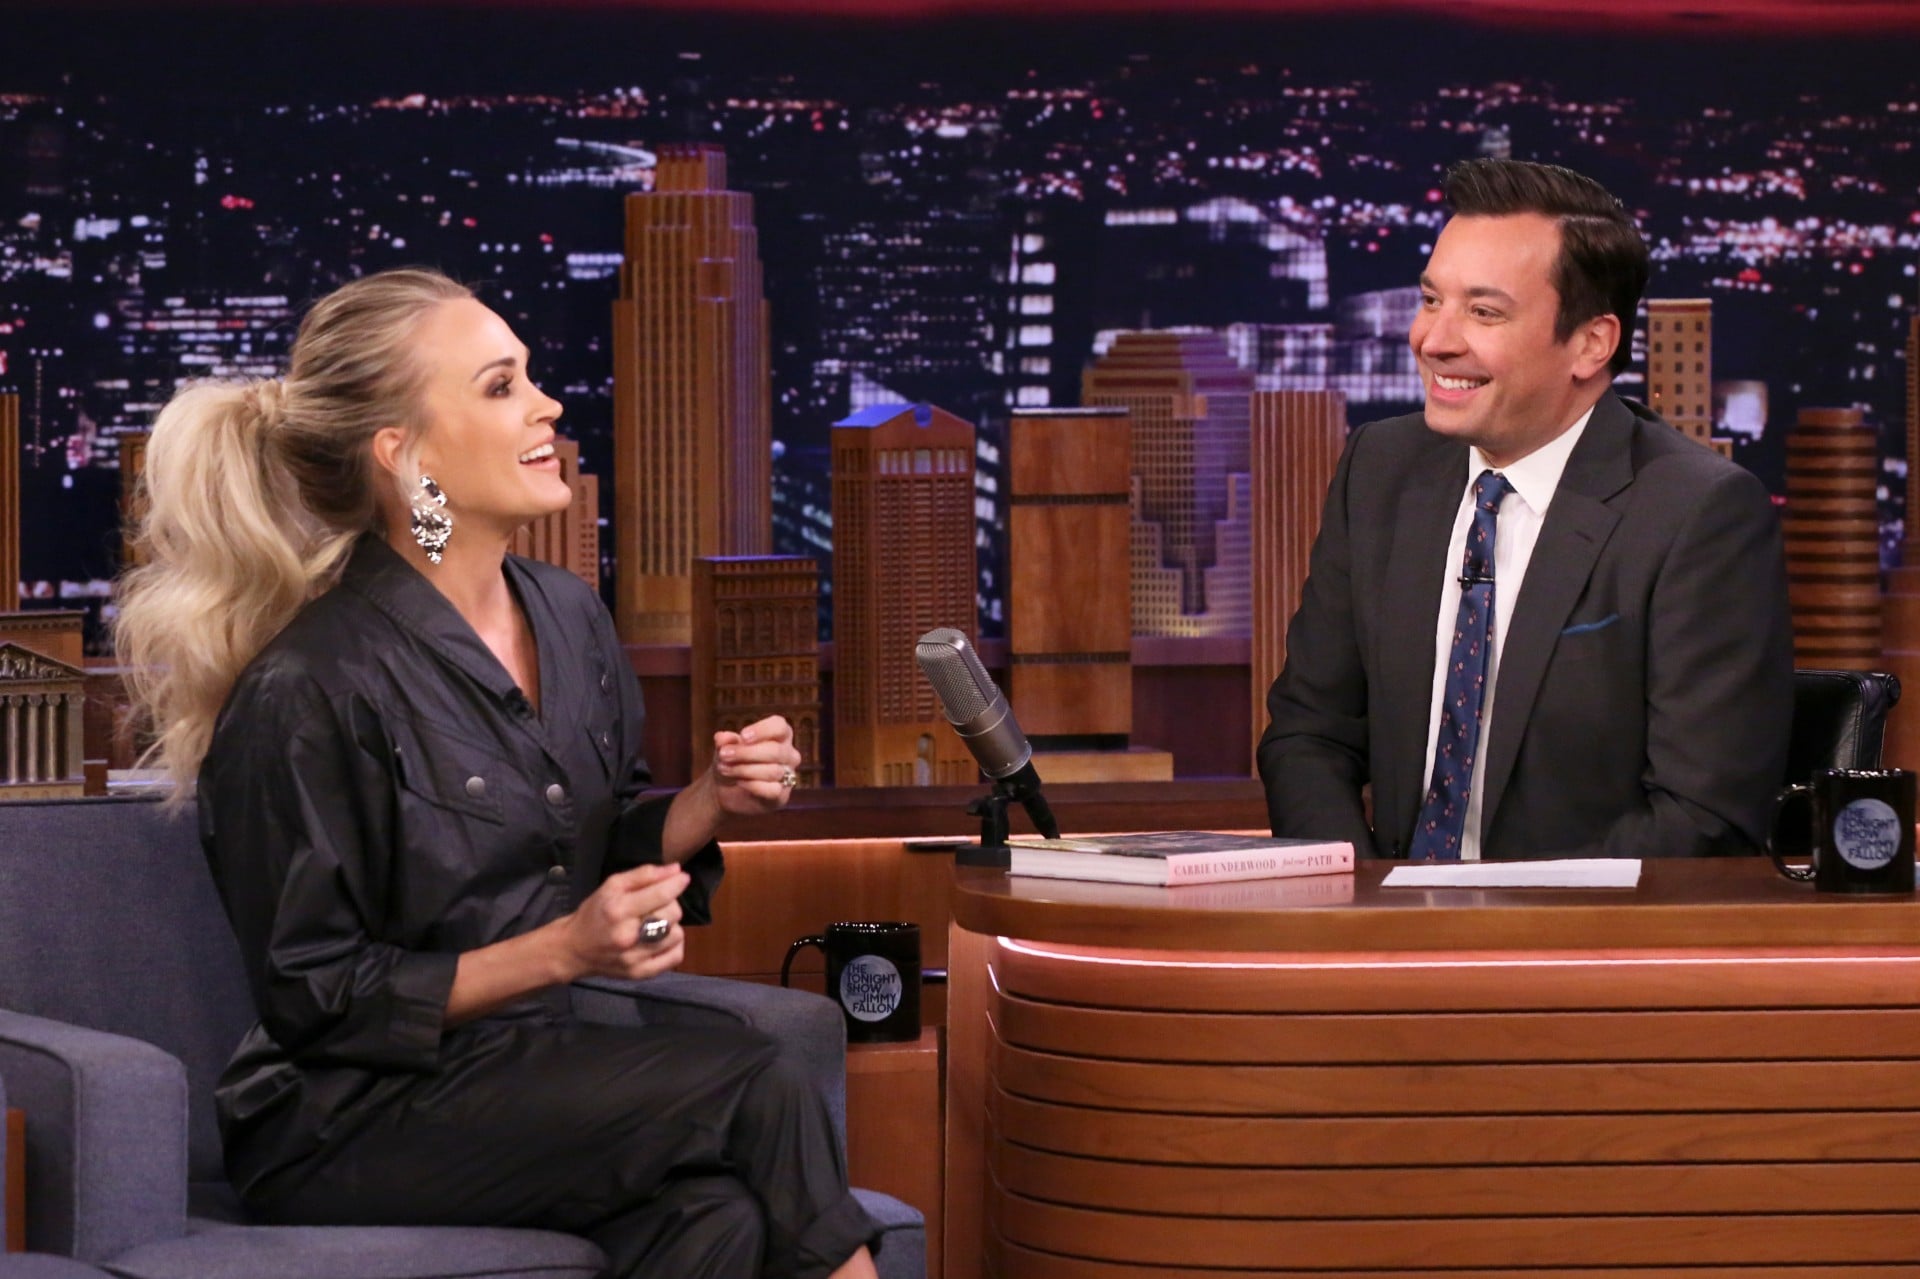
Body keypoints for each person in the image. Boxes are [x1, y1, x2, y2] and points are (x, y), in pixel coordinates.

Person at [115, 268, 883, 1278]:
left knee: (717, 1217)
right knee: (757, 1078)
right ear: (405, 454)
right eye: (499, 385)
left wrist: (709, 800)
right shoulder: (310, 684)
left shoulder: (569, 615)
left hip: (531, 1070)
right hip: (344, 1115)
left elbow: (591, 846)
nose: (547, 404)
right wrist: (564, 949)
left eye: (530, 376)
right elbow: (316, 996)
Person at [1258, 158, 1793, 861]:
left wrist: (1495, 910)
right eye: (1431, 300)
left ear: (1591, 344)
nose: (1434, 340)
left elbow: (1703, 817)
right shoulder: (1380, 468)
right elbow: (1309, 731)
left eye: (1484, 312)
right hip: (1387, 920)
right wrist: (1361, 897)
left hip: (1577, 926)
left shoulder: (1698, 514)